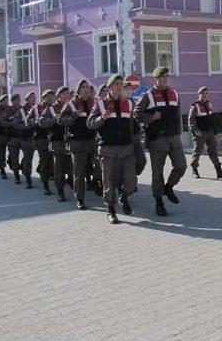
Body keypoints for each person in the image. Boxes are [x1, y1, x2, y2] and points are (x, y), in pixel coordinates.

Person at [132, 66, 186, 217]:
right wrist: (151, 118)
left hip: (174, 137)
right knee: (157, 173)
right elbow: (136, 113)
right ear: (155, 79)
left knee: (181, 166)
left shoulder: (174, 93)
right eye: (161, 77)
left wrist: (179, 132)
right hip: (157, 139)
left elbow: (178, 114)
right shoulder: (148, 95)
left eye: (166, 76)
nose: (164, 79)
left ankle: (168, 187)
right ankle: (159, 203)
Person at [87, 74, 139, 223]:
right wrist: (101, 118)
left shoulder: (129, 102)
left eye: (121, 84)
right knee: (108, 181)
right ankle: (110, 209)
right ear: (109, 87)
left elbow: (134, 123)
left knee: (131, 181)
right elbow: (90, 123)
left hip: (126, 147)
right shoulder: (101, 103)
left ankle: (123, 195)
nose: (119, 86)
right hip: (107, 148)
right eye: (116, 84)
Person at [59, 80, 97, 210]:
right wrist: (74, 115)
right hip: (77, 142)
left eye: (87, 87)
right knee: (79, 172)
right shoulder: (72, 104)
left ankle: (98, 187)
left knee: (100, 166)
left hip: (93, 141)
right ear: (78, 90)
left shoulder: (94, 102)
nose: (86, 89)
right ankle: (80, 198)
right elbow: (61, 120)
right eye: (83, 87)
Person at [39, 86, 73, 202]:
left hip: (70, 142)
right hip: (57, 142)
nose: (66, 96)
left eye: (67, 94)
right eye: (63, 94)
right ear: (58, 96)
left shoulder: (71, 106)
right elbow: (42, 122)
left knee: (71, 167)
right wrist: (54, 119)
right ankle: (60, 191)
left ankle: (72, 184)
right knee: (58, 168)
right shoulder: (52, 109)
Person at [188, 86, 222, 179]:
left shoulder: (209, 104)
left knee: (213, 151)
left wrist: (215, 132)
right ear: (199, 94)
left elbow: (211, 119)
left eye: (206, 93)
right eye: (203, 93)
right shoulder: (195, 105)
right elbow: (190, 121)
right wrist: (196, 131)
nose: (205, 95)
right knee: (197, 152)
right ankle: (194, 170)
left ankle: (219, 171)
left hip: (209, 132)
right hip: (200, 133)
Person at [26, 89, 54, 195]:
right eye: (48, 96)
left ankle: (42, 172)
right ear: (44, 98)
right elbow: (27, 122)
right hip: (40, 138)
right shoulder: (36, 108)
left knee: (50, 161)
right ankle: (45, 184)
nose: (51, 98)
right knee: (45, 160)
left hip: (52, 137)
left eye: (52, 96)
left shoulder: (54, 107)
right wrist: (36, 122)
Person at [13, 91, 36, 189]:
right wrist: (27, 125)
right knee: (28, 159)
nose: (34, 99)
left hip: (37, 138)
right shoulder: (21, 111)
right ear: (27, 100)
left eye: (34, 97)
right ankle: (28, 179)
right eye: (31, 98)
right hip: (26, 139)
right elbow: (16, 125)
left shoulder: (37, 109)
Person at [6, 94, 23, 184]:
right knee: (14, 158)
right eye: (16, 100)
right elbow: (3, 123)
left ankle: (22, 167)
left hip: (22, 136)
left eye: (19, 99)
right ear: (12, 101)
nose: (18, 101)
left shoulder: (22, 109)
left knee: (27, 155)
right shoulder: (8, 110)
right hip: (12, 137)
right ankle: (16, 175)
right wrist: (13, 122)